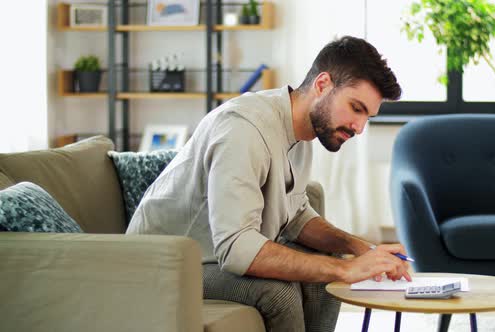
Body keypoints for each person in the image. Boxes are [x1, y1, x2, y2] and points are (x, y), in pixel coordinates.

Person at [126, 36, 410, 332]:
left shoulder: (302, 132)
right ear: (322, 84)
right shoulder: (243, 129)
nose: (359, 127)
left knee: (328, 261)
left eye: (367, 116)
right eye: (356, 108)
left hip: (208, 256)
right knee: (279, 293)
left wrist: (360, 247)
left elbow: (296, 217)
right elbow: (237, 247)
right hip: (161, 265)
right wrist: (346, 269)